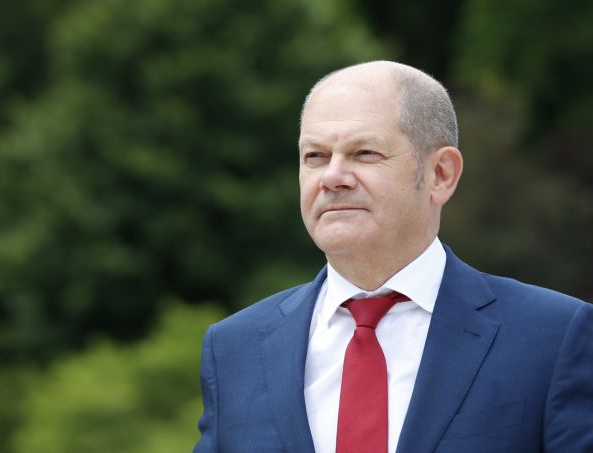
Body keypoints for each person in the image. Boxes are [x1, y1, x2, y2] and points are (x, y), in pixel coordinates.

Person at [193, 61, 593, 453]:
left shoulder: (553, 337)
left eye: (364, 153)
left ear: (441, 174)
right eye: (315, 156)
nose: (332, 177)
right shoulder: (234, 350)